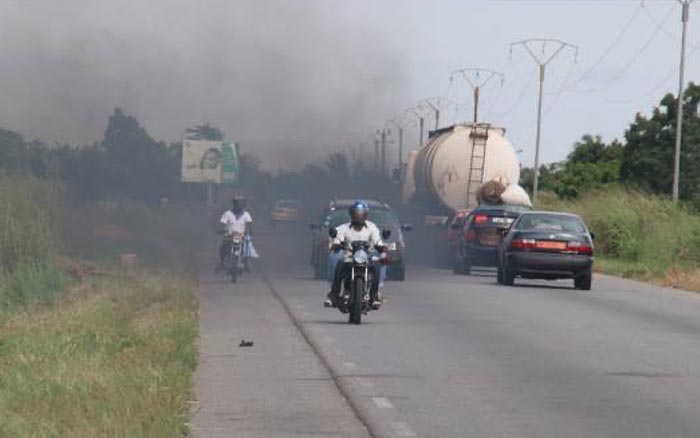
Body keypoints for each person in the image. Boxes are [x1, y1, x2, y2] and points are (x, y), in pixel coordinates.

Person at [325, 200, 387, 309]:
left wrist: (382, 248)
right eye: (356, 214)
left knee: (380, 262)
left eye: (361, 214)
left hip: (367, 257)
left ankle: (375, 294)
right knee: (337, 260)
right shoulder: (343, 228)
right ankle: (334, 294)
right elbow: (336, 240)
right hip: (349, 257)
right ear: (351, 215)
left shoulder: (372, 227)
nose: (359, 217)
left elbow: (377, 241)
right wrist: (337, 245)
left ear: (366, 215)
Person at [217, 198, 253, 272]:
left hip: (241, 235)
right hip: (229, 235)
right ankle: (222, 262)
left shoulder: (246, 214)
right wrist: (222, 229)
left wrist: (249, 232)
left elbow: (249, 225)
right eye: (237, 205)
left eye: (240, 205)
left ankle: (246, 263)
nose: (238, 206)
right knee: (223, 247)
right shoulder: (227, 213)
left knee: (247, 247)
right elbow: (223, 223)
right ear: (233, 205)